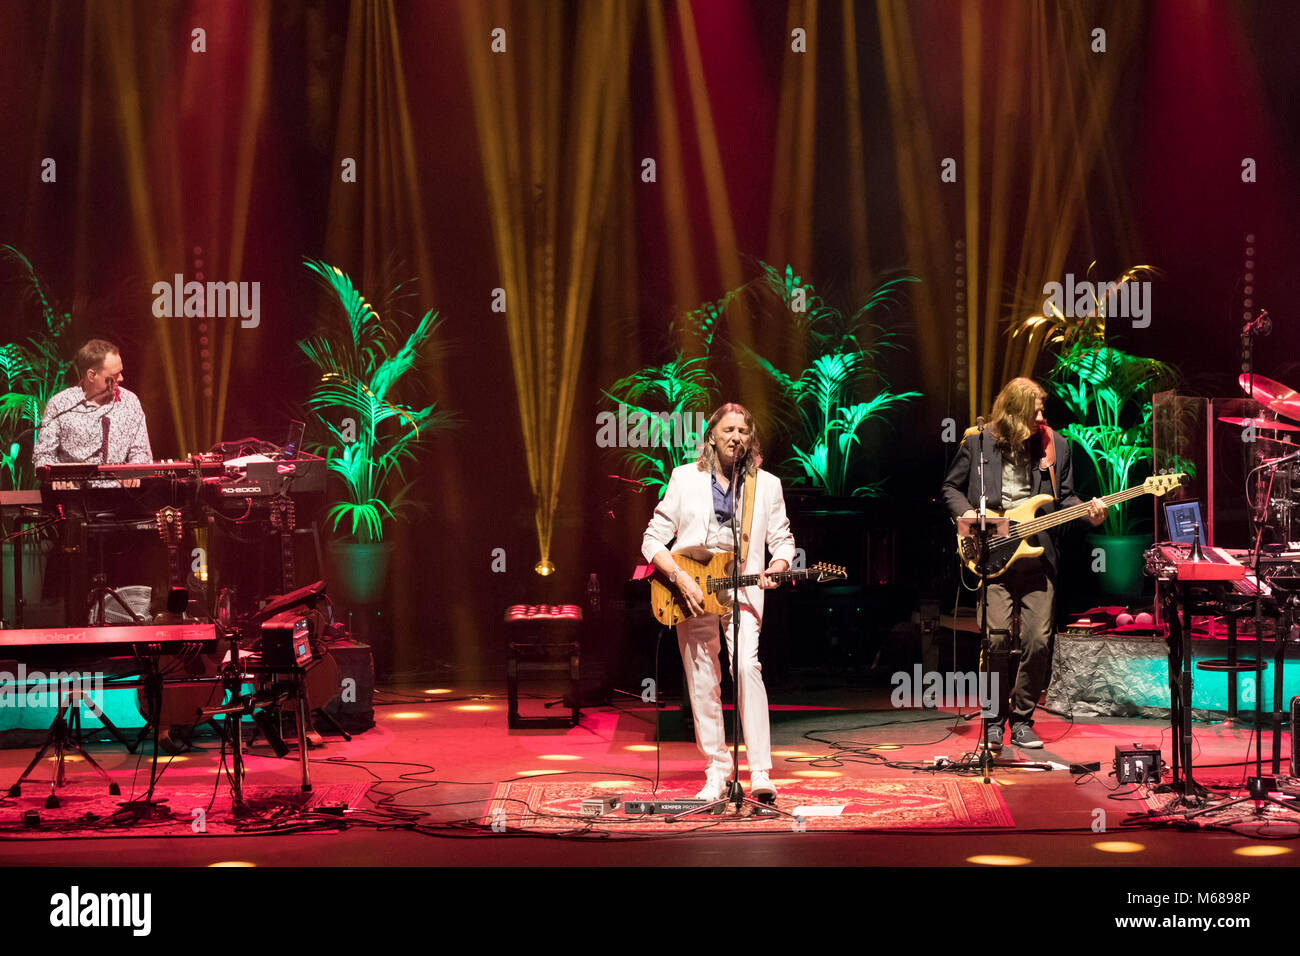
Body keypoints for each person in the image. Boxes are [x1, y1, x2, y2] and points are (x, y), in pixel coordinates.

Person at [641, 403, 797, 801]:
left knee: (746, 667)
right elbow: (652, 540)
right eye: (728, 430)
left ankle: (760, 772)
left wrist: (777, 566)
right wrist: (677, 579)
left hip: (742, 586)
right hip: (691, 588)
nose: (736, 437)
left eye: (743, 431)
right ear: (712, 435)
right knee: (703, 681)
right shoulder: (683, 479)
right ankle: (716, 771)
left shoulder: (767, 484)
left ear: (751, 438)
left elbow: (782, 540)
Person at [941, 377, 1105, 751]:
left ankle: (1023, 719)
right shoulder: (977, 441)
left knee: (1037, 641)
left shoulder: (1056, 446)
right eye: (1035, 411)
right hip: (992, 553)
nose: (1041, 417)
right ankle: (994, 720)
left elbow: (1064, 500)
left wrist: (1089, 514)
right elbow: (950, 487)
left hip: (1037, 557)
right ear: (1013, 412)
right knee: (996, 639)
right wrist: (968, 513)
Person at [33, 339, 153, 468]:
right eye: (115, 375)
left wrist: (133, 474)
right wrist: (60, 479)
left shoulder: (129, 401)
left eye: (120, 372)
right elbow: (43, 455)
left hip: (121, 487)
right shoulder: (60, 404)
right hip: (74, 488)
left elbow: (142, 452)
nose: (121, 378)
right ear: (91, 376)